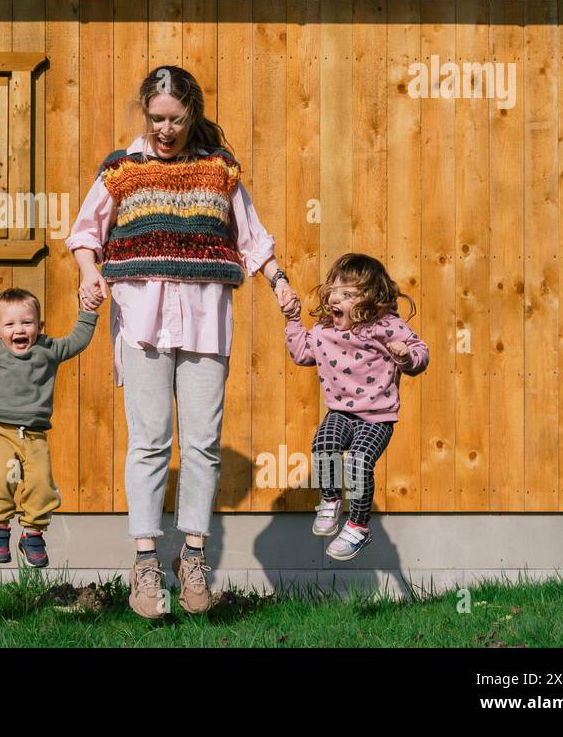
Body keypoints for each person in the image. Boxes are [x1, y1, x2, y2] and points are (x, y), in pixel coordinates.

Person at [66, 65, 297, 618]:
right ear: (145, 112)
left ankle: (192, 556)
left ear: (192, 112)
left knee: (201, 445)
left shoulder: (220, 170)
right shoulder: (121, 169)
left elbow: (253, 237)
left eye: (175, 119)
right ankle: (146, 564)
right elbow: (84, 232)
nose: (165, 129)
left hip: (205, 320)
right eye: (156, 119)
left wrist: (280, 283)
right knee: (149, 442)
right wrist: (88, 272)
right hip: (141, 321)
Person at [282, 253, 429, 561]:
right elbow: (302, 354)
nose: (336, 298)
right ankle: (331, 500)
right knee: (323, 443)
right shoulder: (325, 331)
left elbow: (420, 352)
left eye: (348, 294)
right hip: (341, 413)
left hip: (377, 418)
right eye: (334, 290)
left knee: (359, 462)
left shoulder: (386, 326)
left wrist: (404, 356)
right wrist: (293, 320)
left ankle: (359, 526)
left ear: (369, 300)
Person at [0, 287, 99, 568]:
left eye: (27, 323)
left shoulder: (48, 349)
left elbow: (76, 341)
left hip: (34, 435)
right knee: (3, 478)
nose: (19, 330)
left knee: (42, 483)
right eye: (10, 324)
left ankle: (33, 533)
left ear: (40, 326)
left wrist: (88, 311)